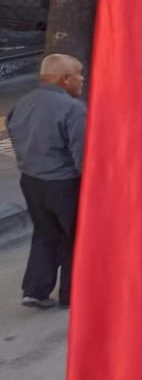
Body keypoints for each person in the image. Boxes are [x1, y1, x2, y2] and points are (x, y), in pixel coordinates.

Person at [8, 54, 86, 309]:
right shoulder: (73, 109)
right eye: (79, 75)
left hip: (31, 181)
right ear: (65, 79)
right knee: (75, 237)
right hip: (63, 183)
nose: (82, 80)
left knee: (44, 233)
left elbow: (13, 131)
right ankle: (72, 295)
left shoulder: (24, 103)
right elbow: (81, 154)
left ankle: (35, 290)